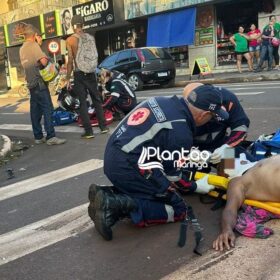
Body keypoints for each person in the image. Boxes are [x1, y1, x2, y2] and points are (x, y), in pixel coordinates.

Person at [88, 84, 231, 241]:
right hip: (126, 166)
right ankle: (113, 204)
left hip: (114, 156)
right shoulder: (181, 132)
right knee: (178, 208)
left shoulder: (164, 101)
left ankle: (108, 195)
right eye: (212, 116)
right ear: (203, 115)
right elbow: (174, 178)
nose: (212, 120)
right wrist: (197, 186)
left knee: (155, 183)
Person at [213, 155, 280, 251]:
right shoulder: (237, 183)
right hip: (250, 164)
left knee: (233, 153)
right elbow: (230, 210)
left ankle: (223, 151)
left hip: (251, 162)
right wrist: (226, 229)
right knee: (229, 153)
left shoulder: (243, 177)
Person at [19, 24, 66, 146]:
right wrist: (46, 58)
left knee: (35, 111)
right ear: (34, 36)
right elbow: (43, 61)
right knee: (48, 109)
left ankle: (38, 137)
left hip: (31, 84)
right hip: (40, 83)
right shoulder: (33, 46)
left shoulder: (22, 48)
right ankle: (51, 136)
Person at [183, 83, 251, 163]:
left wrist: (227, 147)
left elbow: (240, 126)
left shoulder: (228, 100)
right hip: (193, 147)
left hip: (220, 143)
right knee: (189, 172)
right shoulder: (181, 109)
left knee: (232, 168)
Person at [65, 15, 108, 139]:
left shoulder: (70, 40)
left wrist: (68, 78)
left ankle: (89, 132)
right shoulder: (91, 38)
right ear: (82, 25)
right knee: (96, 99)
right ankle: (103, 127)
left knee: (83, 103)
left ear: (73, 26)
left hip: (79, 74)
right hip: (91, 72)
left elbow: (70, 61)